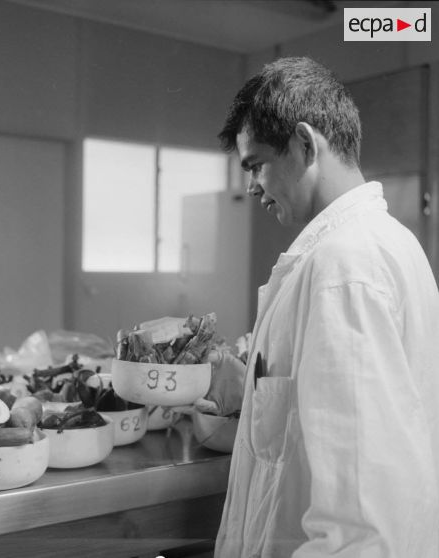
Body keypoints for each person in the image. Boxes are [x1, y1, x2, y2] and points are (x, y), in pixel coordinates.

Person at [213, 56, 439, 557]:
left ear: (304, 144)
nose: (250, 187)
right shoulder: (381, 245)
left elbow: (361, 525)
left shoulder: (345, 267)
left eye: (256, 165)